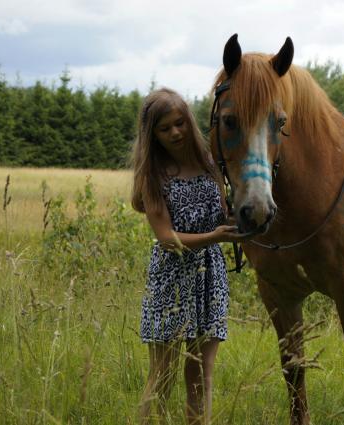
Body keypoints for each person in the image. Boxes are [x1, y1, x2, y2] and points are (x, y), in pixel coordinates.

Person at [131, 87, 249, 424]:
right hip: (170, 277)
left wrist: (238, 221)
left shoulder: (211, 163)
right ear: (151, 134)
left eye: (179, 123)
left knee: (200, 374)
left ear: (189, 122)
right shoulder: (152, 175)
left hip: (210, 277)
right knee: (162, 375)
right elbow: (166, 238)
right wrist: (214, 236)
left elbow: (221, 214)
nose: (175, 133)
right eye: (164, 128)